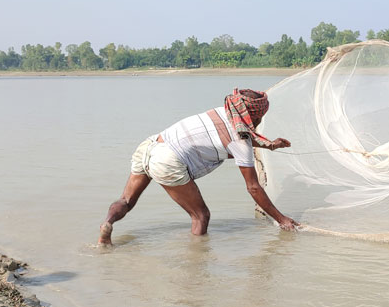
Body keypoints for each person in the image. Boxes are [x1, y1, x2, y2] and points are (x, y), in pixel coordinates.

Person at [98, 88, 299, 244]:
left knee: (126, 200)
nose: (260, 120)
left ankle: (107, 224)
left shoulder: (221, 112)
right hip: (168, 160)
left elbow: (226, 138)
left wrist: (269, 144)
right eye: (260, 117)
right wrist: (281, 219)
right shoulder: (240, 140)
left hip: (150, 145)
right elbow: (253, 187)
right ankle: (196, 262)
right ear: (254, 116)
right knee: (201, 215)